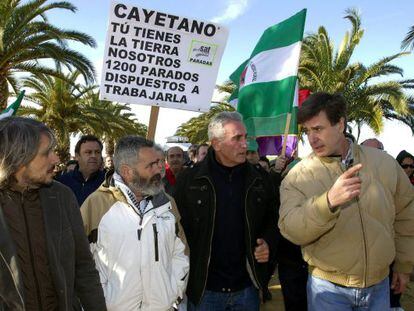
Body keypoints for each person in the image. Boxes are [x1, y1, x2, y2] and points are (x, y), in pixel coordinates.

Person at [278, 92, 414, 311]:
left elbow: (407, 214)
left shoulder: (384, 163)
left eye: (318, 129)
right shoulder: (297, 176)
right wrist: (328, 202)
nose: (312, 138)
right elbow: (290, 228)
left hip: (380, 286)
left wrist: (404, 265)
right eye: (308, 131)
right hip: (328, 292)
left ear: (340, 124)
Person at [173, 112, 279, 310]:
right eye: (237, 138)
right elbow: (176, 230)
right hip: (203, 291)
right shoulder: (189, 181)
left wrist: (268, 242)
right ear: (216, 143)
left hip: (247, 289)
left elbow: (274, 220)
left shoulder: (260, 179)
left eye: (245, 137)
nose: (245, 144)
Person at [0, 117, 106, 310]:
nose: (56, 159)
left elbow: (84, 267)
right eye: (46, 153)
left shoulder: (61, 196)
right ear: (19, 158)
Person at [80, 136, 189, 311]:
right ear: (127, 171)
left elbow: (181, 253)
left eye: (158, 163)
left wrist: (173, 294)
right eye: (151, 165)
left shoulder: (167, 203)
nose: (159, 170)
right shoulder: (96, 205)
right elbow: (81, 263)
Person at [58, 135, 105, 205]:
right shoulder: (63, 182)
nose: (94, 156)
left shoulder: (109, 182)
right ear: (77, 156)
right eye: (88, 152)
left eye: (97, 152)